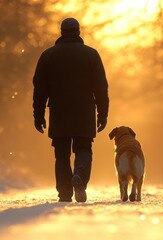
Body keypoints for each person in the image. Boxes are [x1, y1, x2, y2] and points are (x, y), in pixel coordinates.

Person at [32, 18, 109, 203]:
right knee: (83, 148)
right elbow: (101, 87)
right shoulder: (91, 54)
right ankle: (80, 178)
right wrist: (103, 114)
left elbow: (40, 89)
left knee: (61, 153)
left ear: (61, 32)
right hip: (84, 111)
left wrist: (38, 115)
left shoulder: (48, 55)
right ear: (78, 32)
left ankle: (65, 193)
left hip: (59, 112)